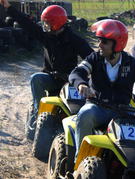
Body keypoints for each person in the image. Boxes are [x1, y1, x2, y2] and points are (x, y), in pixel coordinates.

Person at [68, 19, 135, 163]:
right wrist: (81, 85)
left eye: (104, 42)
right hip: (98, 107)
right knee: (84, 114)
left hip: (123, 110)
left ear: (117, 44)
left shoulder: (131, 63)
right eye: (99, 41)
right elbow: (76, 73)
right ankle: (80, 162)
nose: (99, 45)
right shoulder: (95, 58)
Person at [0, 0, 94, 136]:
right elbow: (27, 24)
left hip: (69, 83)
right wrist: (9, 8)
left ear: (55, 23)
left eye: (46, 23)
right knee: (35, 78)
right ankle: (39, 115)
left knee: (81, 104)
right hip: (50, 77)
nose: (44, 26)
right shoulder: (46, 36)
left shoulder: (75, 40)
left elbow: (92, 58)